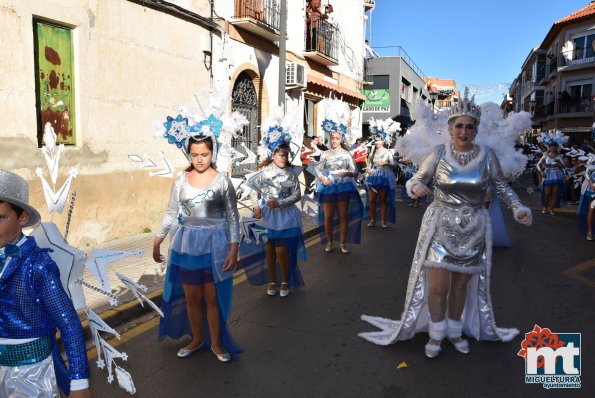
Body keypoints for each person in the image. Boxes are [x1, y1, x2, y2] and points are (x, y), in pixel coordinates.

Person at [360, 90, 533, 358]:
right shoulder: (439, 152)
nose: (464, 131)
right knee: (438, 287)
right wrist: (414, 186)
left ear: (476, 130)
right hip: (441, 226)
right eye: (459, 126)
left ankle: (454, 332)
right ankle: (436, 334)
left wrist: (518, 208)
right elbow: (417, 178)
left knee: (460, 286)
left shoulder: (487, 155)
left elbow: (500, 186)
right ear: (450, 128)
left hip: (474, 228)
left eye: (469, 126)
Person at [0, 169, 91, 397]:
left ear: (22, 218)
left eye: (0, 218)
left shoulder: (38, 265)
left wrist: (79, 382)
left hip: (30, 375)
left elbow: (69, 324)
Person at [153, 133, 242, 362]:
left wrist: (234, 249)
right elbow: (172, 213)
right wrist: (158, 239)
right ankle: (196, 338)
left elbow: (233, 218)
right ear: (188, 154)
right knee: (191, 297)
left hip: (215, 246)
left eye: (204, 154)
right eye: (195, 154)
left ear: (212, 153)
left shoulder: (223, 181)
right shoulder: (181, 180)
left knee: (212, 298)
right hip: (188, 246)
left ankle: (216, 343)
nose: (200, 159)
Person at [246, 139, 306, 297]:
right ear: (272, 155)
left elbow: (297, 195)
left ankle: (285, 280)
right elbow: (253, 188)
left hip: (285, 216)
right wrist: (256, 207)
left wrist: (280, 202)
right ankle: (272, 281)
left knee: (281, 250)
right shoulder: (264, 172)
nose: (284, 158)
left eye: (286, 156)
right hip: (267, 215)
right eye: (281, 155)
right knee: (270, 250)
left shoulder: (291, 174)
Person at [314, 101, 363, 254]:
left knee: (343, 216)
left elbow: (355, 172)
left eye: (337, 138)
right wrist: (323, 179)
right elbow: (318, 169)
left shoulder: (347, 154)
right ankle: (329, 242)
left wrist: (346, 173)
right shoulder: (324, 154)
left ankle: (342, 243)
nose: (334, 140)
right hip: (328, 187)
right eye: (332, 138)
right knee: (328, 217)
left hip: (343, 187)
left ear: (341, 139)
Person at [366, 119, 398, 228]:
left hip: (384, 177)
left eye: (378, 140)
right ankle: (372, 219)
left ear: (383, 140)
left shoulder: (388, 152)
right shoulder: (372, 152)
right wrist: (368, 169)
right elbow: (368, 164)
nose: (376, 142)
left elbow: (395, 165)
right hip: (373, 177)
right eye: (375, 140)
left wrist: (386, 163)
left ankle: (383, 221)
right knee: (371, 200)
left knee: (383, 200)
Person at [536, 141, 566, 215]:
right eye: (551, 146)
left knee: (555, 194)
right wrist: (541, 172)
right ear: (549, 147)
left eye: (555, 146)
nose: (553, 148)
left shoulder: (559, 156)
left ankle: (551, 209)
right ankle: (545, 207)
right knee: (547, 193)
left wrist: (559, 162)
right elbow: (538, 164)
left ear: (557, 147)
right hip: (548, 175)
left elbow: (564, 166)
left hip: (557, 175)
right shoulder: (545, 155)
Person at [578, 154, 595, 240]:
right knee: (592, 209)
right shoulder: (593, 158)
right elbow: (587, 173)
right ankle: (590, 232)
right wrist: (592, 184)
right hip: (592, 190)